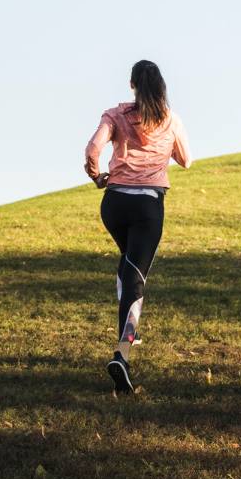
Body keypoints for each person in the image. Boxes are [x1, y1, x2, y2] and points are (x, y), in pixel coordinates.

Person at [83, 60, 192, 393]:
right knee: (135, 280)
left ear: (132, 85)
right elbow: (186, 159)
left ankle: (125, 335)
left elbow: (93, 149)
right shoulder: (171, 120)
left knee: (128, 262)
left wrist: (95, 174)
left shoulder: (115, 115)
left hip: (113, 204)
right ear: (160, 87)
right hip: (147, 206)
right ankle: (122, 353)